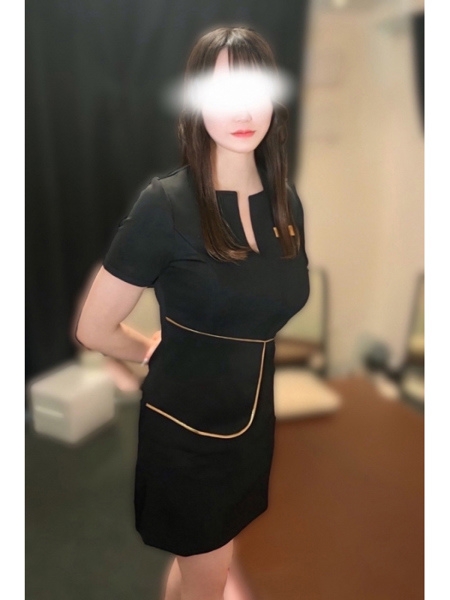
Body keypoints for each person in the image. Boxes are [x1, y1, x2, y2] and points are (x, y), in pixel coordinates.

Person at [76, 25, 309, 600]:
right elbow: (93, 327)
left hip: (252, 421)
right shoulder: (165, 205)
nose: (241, 110)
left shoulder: (285, 202)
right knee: (208, 573)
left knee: (207, 557)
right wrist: (147, 349)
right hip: (187, 433)